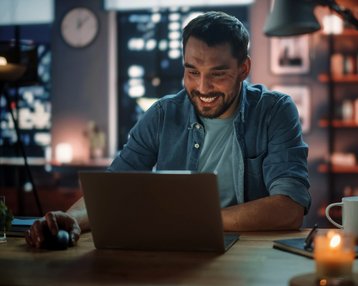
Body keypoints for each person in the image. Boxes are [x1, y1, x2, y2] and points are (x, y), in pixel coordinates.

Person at [26, 11, 311, 249]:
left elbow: (289, 207)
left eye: (218, 73)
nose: (202, 87)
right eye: (192, 72)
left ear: (244, 68)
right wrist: (71, 217)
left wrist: (194, 219)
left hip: (252, 254)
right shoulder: (163, 114)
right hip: (176, 251)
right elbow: (114, 188)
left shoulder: (274, 111)